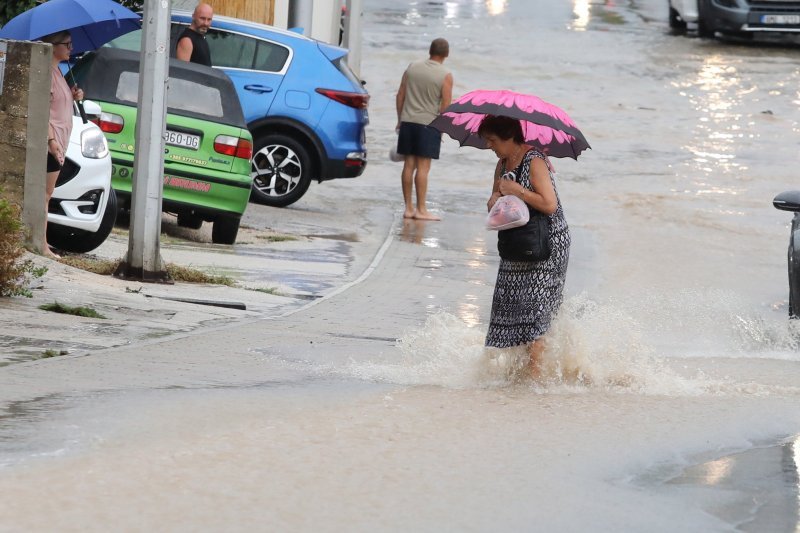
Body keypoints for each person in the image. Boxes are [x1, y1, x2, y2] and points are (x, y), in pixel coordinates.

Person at [478, 115, 570, 379]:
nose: (489, 146)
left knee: (535, 314)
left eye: (492, 140)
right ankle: (518, 374)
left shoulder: (535, 160)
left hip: (546, 244)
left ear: (509, 138)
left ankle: (535, 380)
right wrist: (496, 196)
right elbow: (493, 206)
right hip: (516, 242)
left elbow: (549, 204)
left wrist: (516, 190)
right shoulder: (502, 163)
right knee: (512, 309)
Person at [395, 38, 453, 221]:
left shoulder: (412, 67)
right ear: (447, 54)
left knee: (408, 165)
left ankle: (408, 209)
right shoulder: (445, 74)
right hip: (429, 124)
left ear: (430, 50)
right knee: (423, 168)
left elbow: (400, 95)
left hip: (408, 121)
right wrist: (442, 128)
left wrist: (400, 120)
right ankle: (421, 210)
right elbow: (445, 106)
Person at [42, 30, 83, 260]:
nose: (70, 48)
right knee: (45, 194)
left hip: (59, 140)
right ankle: (42, 244)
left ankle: (41, 241)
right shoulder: (47, 71)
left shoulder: (59, 71)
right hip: (52, 141)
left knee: (47, 193)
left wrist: (73, 94)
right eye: (67, 44)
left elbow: (60, 103)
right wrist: (51, 141)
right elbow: (44, 110)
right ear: (53, 45)